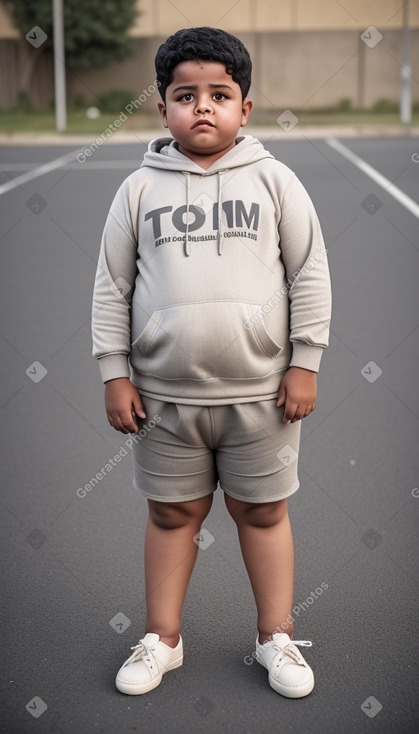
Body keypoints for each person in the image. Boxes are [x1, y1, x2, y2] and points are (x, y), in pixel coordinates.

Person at [91, 26, 332, 699]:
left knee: (263, 514)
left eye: (219, 94)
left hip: (263, 398)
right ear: (162, 106)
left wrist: (304, 361)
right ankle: (162, 639)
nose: (202, 107)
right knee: (172, 516)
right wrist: (114, 371)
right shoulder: (138, 190)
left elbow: (308, 272)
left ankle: (275, 638)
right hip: (163, 400)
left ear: (244, 108)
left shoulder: (275, 181)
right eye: (184, 94)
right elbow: (112, 287)